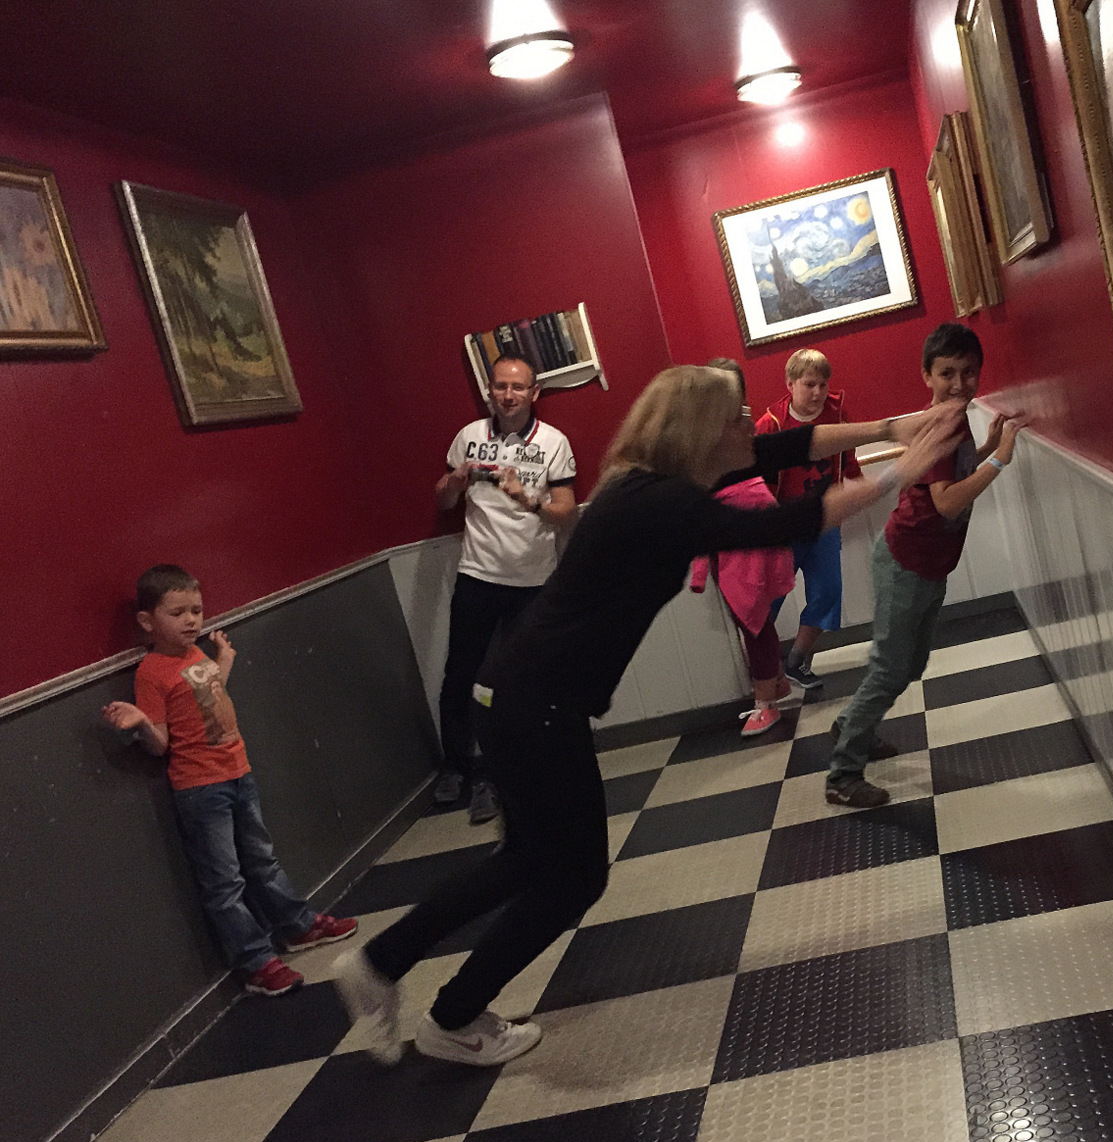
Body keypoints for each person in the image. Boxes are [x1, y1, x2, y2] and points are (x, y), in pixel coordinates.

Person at [333, 365, 963, 1067]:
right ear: (701, 432)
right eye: (735, 418)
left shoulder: (650, 484)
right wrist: (899, 470)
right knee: (573, 878)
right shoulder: (661, 503)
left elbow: (787, 446)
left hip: (518, 696)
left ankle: (394, 974)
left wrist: (891, 426)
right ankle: (441, 1009)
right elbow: (781, 521)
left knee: (527, 860)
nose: (748, 428)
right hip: (534, 704)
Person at [101, 565, 358, 997]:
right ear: (147, 621)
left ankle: (296, 926)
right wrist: (141, 721)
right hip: (201, 788)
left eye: (196, 610)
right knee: (225, 882)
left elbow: (208, 696)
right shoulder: (151, 671)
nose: (191, 621)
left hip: (238, 772)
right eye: (177, 613)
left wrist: (223, 661)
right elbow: (160, 745)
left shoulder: (195, 655)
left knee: (262, 860)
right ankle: (256, 962)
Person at [825, 324, 1027, 809]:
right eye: (947, 373)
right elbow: (947, 503)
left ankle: (852, 723)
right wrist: (998, 462)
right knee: (890, 670)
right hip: (906, 564)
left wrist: (984, 448)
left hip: (927, 565)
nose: (959, 384)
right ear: (926, 376)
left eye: (968, 373)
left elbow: (951, 474)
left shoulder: (954, 422)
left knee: (909, 665)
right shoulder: (939, 425)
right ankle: (843, 774)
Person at [433, 354, 577, 824]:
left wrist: (528, 499)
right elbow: (444, 499)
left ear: (535, 393)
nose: (508, 395)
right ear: (489, 392)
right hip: (477, 575)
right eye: (500, 386)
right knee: (461, 676)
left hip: (532, 583)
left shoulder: (553, 442)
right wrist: (453, 482)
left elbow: (566, 513)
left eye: (518, 387)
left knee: (517, 683)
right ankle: (457, 767)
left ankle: (507, 776)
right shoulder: (468, 436)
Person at [693, 358, 794, 737]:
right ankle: (776, 683)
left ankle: (766, 704)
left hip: (742, 533)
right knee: (754, 619)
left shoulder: (736, 434)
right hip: (731, 533)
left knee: (753, 622)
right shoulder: (712, 435)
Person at [754, 348, 860, 690]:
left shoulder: (837, 415)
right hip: (783, 525)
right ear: (790, 384)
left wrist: (857, 489)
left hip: (824, 520)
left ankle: (796, 661)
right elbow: (755, 480)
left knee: (828, 591)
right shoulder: (770, 425)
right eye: (809, 384)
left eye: (823, 385)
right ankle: (763, 671)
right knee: (767, 601)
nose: (817, 392)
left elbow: (848, 459)